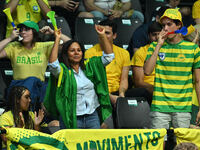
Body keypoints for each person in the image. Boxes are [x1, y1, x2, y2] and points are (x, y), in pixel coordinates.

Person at [144, 8, 200, 145]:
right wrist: (158, 45)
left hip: (183, 107)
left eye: (169, 24)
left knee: (184, 145)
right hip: (160, 106)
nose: (165, 28)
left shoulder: (193, 49)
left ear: (179, 25)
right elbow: (147, 71)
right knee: (158, 145)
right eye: (163, 25)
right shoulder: (154, 46)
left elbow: (198, 81)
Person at [44, 24, 113, 129]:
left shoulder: (90, 66)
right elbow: (53, 65)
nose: (76, 53)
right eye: (72, 51)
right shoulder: (64, 71)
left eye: (79, 50)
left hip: (92, 115)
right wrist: (57, 39)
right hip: (72, 116)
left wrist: (102, 35)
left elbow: (109, 57)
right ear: (66, 54)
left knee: (93, 144)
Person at [0, 20, 70, 106]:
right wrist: (10, 38)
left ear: (34, 32)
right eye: (21, 30)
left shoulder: (44, 46)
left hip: (38, 88)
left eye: (27, 30)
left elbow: (71, 45)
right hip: (19, 88)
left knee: (43, 85)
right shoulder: (14, 47)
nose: (23, 32)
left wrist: (54, 33)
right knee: (32, 80)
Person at [131, 22, 162, 99]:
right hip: (148, 89)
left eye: (159, 34)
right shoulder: (140, 53)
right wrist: (156, 88)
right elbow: (138, 82)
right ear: (149, 36)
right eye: (154, 34)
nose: (157, 37)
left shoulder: (168, 51)